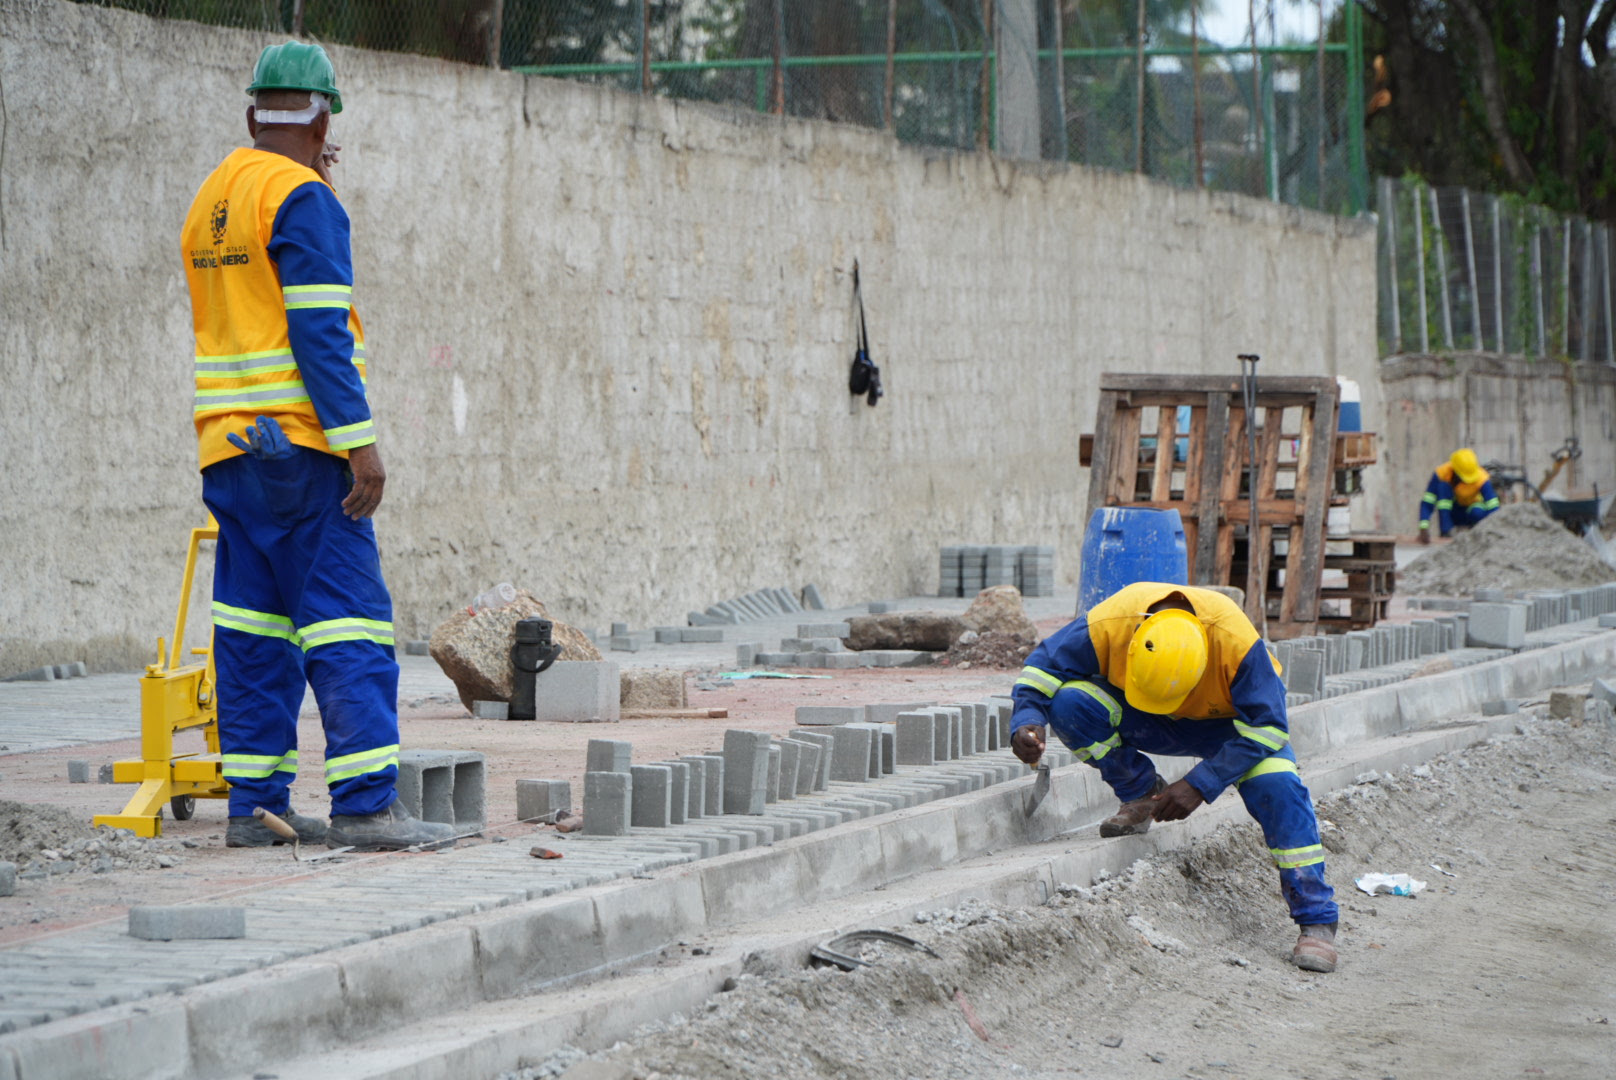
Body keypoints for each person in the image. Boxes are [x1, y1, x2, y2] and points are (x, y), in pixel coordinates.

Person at [181, 42, 454, 851]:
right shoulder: (302, 198)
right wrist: (359, 445)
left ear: (251, 114)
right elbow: (316, 331)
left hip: (228, 451)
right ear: (324, 116)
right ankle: (367, 804)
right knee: (348, 624)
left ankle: (254, 809)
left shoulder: (211, 199)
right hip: (301, 451)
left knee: (254, 633)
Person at [1009, 582, 1340, 972]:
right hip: (1146, 717)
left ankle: (1316, 919)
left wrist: (1202, 782)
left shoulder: (1235, 641)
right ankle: (1141, 793)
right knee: (1069, 703)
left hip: (1231, 730)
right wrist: (1027, 720)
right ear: (1135, 645)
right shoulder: (1111, 622)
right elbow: (1040, 670)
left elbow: (1269, 728)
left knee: (1279, 786)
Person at [1418, 448, 1499, 543]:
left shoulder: (1481, 478)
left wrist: (1495, 530)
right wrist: (1424, 527)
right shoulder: (1442, 473)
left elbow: (1493, 506)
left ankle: (1476, 535)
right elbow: (1428, 502)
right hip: (1452, 513)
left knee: (1477, 511)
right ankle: (1446, 532)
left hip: (1472, 512)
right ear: (1455, 470)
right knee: (1443, 487)